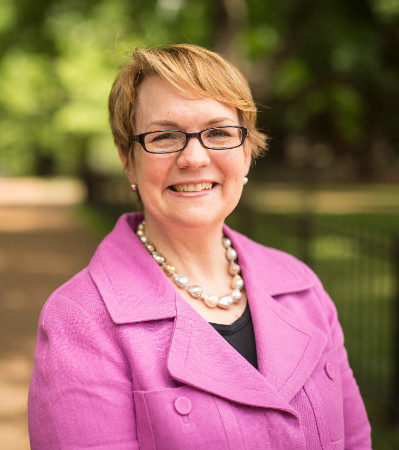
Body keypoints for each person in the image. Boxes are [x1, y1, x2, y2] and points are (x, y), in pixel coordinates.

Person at [28, 44, 371, 449]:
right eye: (165, 135)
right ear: (127, 160)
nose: (193, 157)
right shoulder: (82, 321)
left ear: (246, 153)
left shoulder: (304, 289)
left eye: (219, 132)